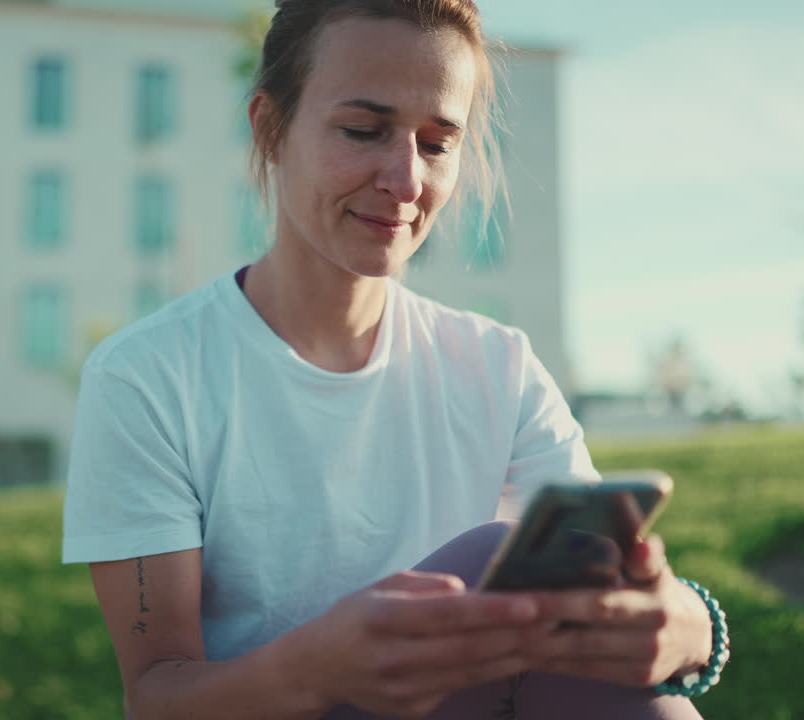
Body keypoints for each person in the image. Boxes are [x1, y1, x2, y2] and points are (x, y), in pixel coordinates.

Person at [62, 1, 727, 718]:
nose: (407, 180)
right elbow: (155, 696)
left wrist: (684, 625)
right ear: (269, 128)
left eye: (438, 143)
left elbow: (602, 595)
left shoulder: (497, 364)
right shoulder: (147, 377)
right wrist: (315, 670)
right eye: (362, 130)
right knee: (490, 561)